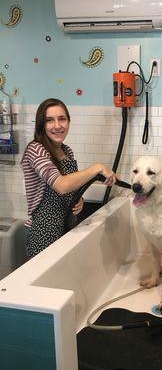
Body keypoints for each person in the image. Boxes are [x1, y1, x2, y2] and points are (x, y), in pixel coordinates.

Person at [22, 98, 116, 259]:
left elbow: (72, 186)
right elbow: (61, 185)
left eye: (62, 119)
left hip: (68, 224)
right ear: (41, 125)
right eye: (49, 120)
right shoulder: (36, 150)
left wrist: (79, 200)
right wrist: (97, 167)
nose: (57, 126)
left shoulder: (67, 151)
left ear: (69, 122)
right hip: (44, 230)